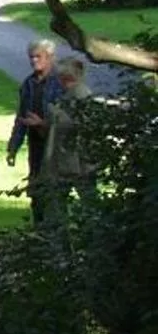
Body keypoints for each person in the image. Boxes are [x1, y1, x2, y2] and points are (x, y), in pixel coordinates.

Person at [6, 38, 62, 223]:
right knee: (36, 188)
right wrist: (13, 146)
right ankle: (39, 232)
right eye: (31, 57)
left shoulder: (60, 82)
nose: (34, 61)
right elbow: (21, 117)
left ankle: (54, 234)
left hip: (55, 144)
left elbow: (67, 119)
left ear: (50, 57)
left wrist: (42, 124)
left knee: (54, 191)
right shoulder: (29, 84)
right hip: (36, 144)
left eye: (38, 57)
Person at [41, 55, 97, 222]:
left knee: (84, 204)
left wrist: (55, 114)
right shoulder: (69, 95)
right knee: (58, 205)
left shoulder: (80, 95)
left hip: (77, 164)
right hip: (69, 162)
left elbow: (79, 126)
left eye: (66, 78)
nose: (63, 82)